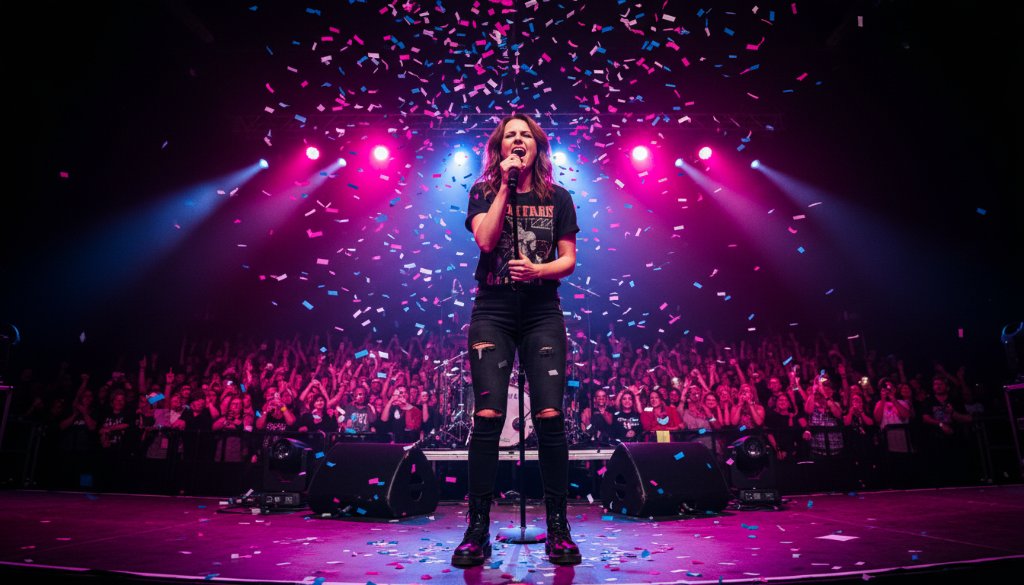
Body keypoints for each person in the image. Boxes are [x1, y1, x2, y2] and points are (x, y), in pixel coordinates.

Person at [453, 113, 581, 568]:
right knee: (487, 417)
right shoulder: (484, 192)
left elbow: (568, 259)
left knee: (550, 417)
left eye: (525, 134)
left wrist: (538, 270)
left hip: (542, 311)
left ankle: (559, 529)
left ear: (538, 146)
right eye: (511, 135)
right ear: (500, 147)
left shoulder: (559, 198)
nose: (519, 140)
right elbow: (486, 242)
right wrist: (506, 186)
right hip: (494, 311)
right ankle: (477, 530)